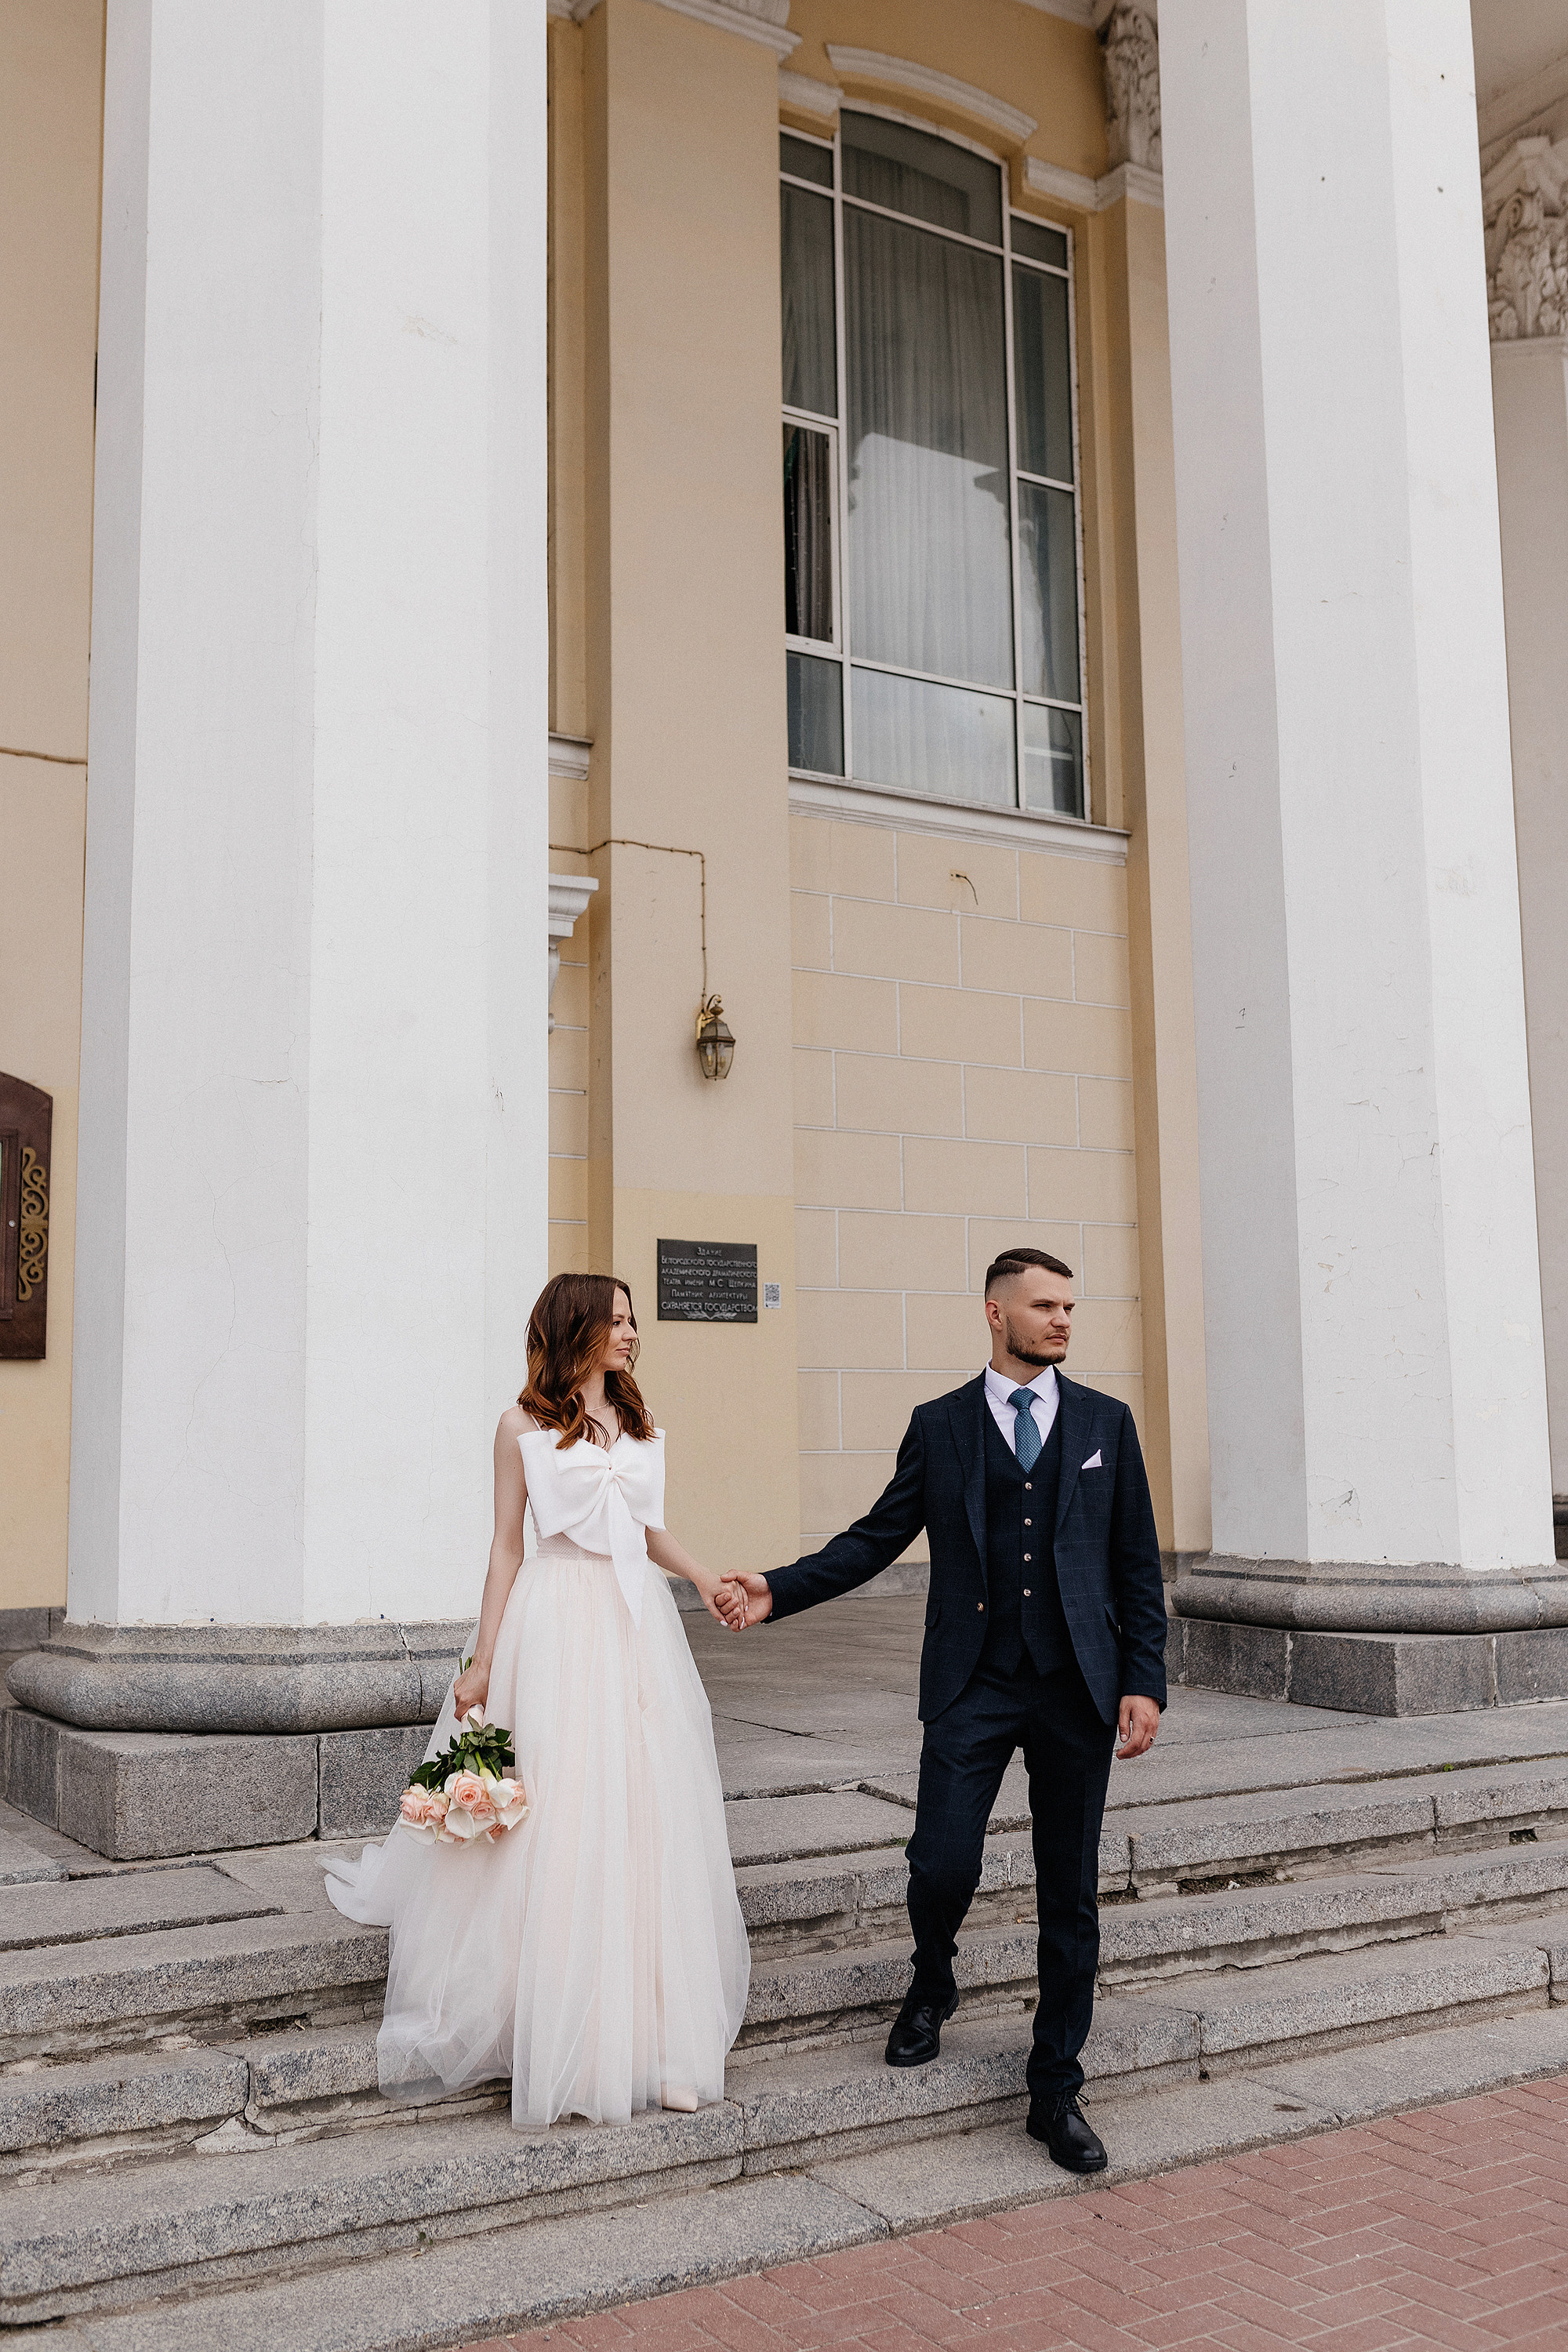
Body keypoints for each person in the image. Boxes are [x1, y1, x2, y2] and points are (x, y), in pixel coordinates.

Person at [725, 1247, 1166, 2175]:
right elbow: (875, 1538)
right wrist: (777, 1588)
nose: (1062, 1320)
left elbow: (1133, 1559)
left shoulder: (1105, 1422)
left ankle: (1055, 2089)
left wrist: (1143, 1678)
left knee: (1068, 1892)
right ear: (995, 1314)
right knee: (939, 1863)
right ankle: (932, 1980)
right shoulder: (940, 1425)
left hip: (1078, 1687)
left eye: (1069, 1307)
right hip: (973, 1682)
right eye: (1043, 1306)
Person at [324, 1272, 750, 2129]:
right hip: (554, 1625)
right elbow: (506, 1548)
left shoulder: (635, 1421)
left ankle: (658, 2044)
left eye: (632, 1321)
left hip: (634, 1625)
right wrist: (483, 1661)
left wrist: (704, 1579)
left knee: (642, 1815)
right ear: (575, 1328)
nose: (631, 1334)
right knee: (559, 1816)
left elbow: (646, 1529)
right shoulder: (519, 1426)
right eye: (616, 1321)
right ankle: (557, 2036)